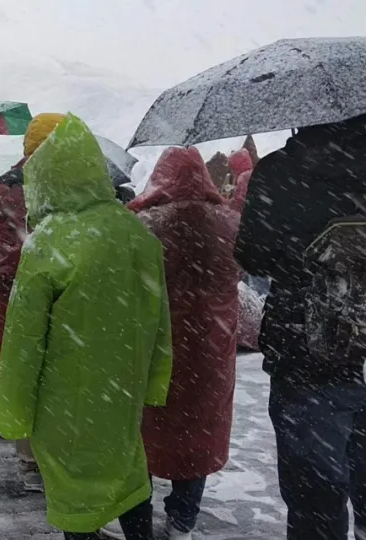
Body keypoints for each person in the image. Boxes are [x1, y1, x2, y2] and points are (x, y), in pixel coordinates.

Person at [0, 115, 173, 540]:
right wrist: (154, 381)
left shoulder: (49, 242)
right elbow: (158, 317)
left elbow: (23, 342)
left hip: (64, 401)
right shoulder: (133, 230)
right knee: (130, 478)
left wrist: (14, 413)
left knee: (76, 500)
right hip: (123, 392)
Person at [235, 115, 366, 540]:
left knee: (315, 491)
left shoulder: (278, 171)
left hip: (306, 344)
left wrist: (304, 261)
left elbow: (253, 256)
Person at [114, 147, 240, 540]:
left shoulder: (140, 224)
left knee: (143, 432)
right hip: (210, 350)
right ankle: (183, 519)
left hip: (154, 346)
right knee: (199, 429)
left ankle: (138, 518)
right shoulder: (231, 222)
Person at [0, 113, 60, 487]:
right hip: (55, 286)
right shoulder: (67, 183)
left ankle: (27, 462)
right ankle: (55, 455)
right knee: (54, 372)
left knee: (17, 370)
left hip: (5, 287)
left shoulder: (4, 184)